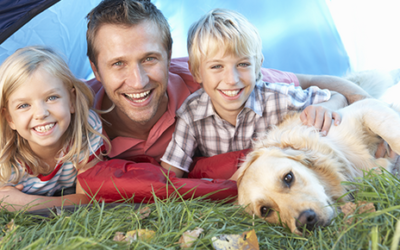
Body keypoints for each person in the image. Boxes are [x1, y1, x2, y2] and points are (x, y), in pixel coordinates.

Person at [85, 0, 370, 164]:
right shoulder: (73, 112)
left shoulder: (213, 80)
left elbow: (314, 81)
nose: (138, 80)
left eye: (149, 59)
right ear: (96, 70)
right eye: (118, 63)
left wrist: (362, 113)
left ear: (169, 56)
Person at [159, 8, 348, 178]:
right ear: (197, 72)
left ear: (258, 67)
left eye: (243, 64)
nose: (232, 79)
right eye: (217, 66)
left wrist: (326, 107)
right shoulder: (191, 115)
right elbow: (170, 173)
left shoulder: (277, 98)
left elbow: (337, 97)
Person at [0, 46, 110, 211]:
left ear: (71, 100)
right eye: (24, 105)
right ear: (10, 118)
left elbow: (88, 199)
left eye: (52, 97)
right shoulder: (4, 155)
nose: (41, 113)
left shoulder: (86, 130)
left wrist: (24, 203)